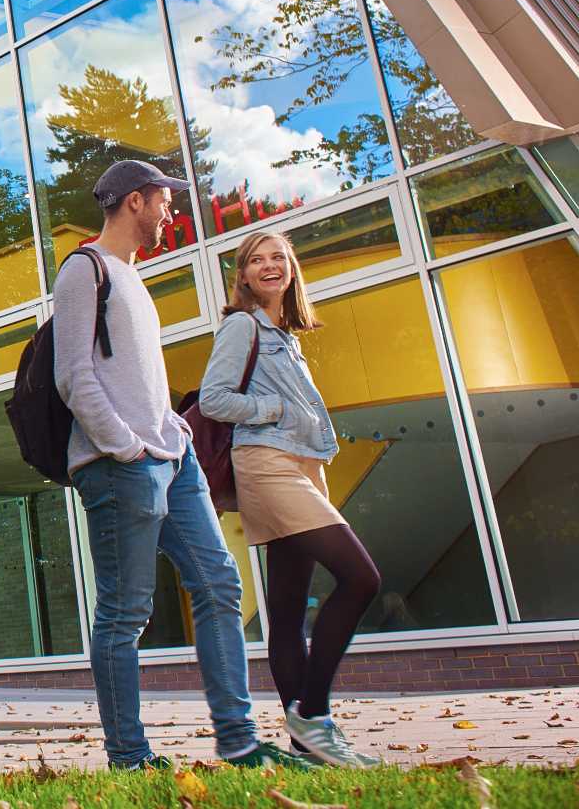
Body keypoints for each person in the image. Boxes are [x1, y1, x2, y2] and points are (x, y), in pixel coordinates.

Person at [52, 160, 306, 772]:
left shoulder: (132, 279)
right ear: (136, 201)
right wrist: (128, 445)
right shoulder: (83, 271)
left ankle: (240, 742)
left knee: (219, 584)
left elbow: (132, 379)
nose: (172, 213)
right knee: (126, 611)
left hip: (173, 456)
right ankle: (130, 756)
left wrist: (174, 431)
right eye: (165, 201)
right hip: (122, 465)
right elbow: (74, 377)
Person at [197, 231, 382, 768]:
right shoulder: (242, 326)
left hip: (300, 465)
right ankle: (314, 712)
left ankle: (307, 743)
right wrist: (273, 410)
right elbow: (214, 398)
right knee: (360, 577)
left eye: (278, 257)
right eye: (257, 260)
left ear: (292, 269)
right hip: (268, 464)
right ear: (245, 275)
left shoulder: (286, 334)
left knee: (284, 611)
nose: (269, 266)